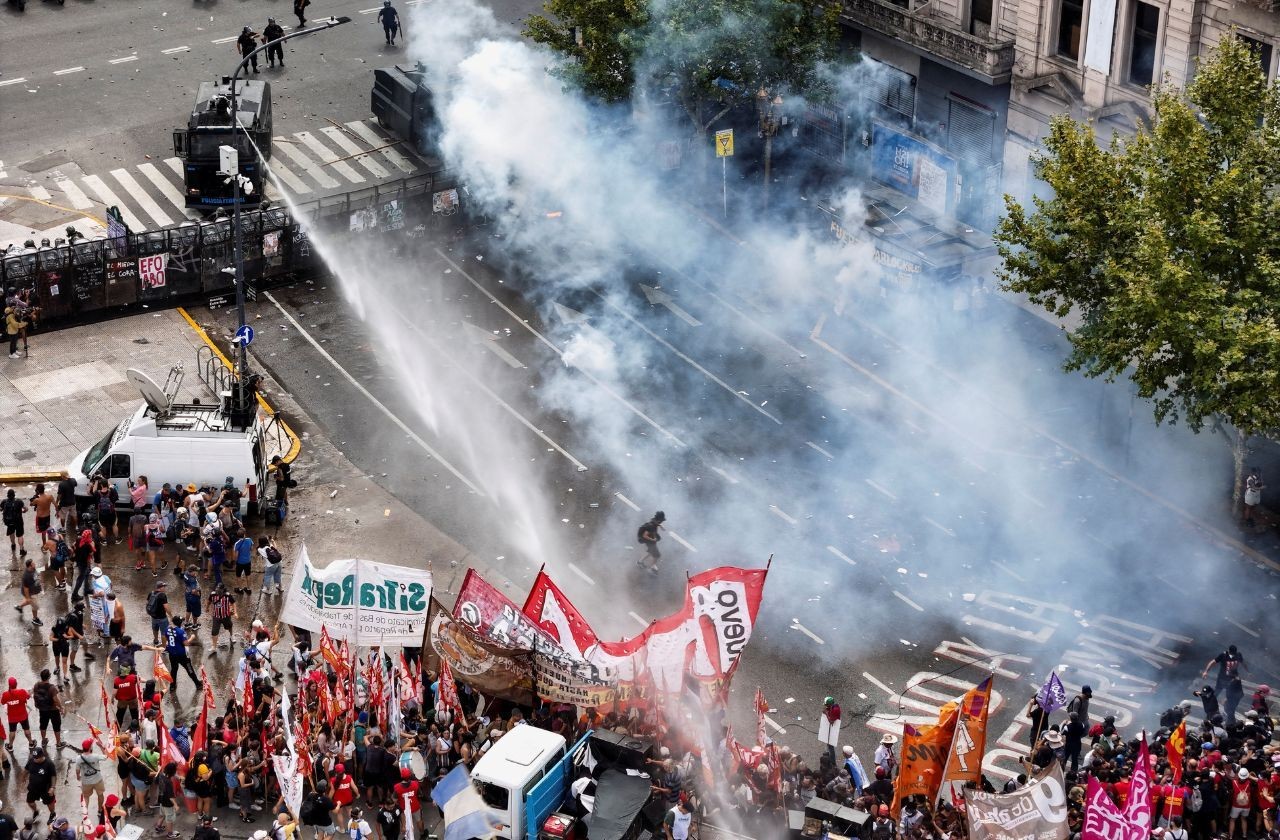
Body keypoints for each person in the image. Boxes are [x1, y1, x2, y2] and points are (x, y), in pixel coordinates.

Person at [164, 617, 202, 691]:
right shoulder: (181, 631)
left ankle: (172, 686)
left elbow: (166, 639)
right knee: (189, 669)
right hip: (181, 655)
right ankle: (198, 684)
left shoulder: (167, 629)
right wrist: (192, 637)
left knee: (174, 670)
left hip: (172, 654)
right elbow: (186, 643)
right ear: (180, 623)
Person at [31, 671, 64, 749]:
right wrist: (61, 707)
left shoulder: (36, 685)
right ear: (49, 677)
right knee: (56, 726)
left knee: (43, 725)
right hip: (53, 710)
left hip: (42, 709)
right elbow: (55, 699)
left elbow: (34, 695)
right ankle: (58, 743)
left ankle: (43, 740)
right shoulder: (52, 688)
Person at [75, 739, 107, 816]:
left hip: (86, 781)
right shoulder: (95, 756)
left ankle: (85, 812)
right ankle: (100, 810)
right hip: (97, 780)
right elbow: (106, 757)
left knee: (86, 797)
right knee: (100, 794)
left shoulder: (79, 758)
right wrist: (101, 746)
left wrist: (78, 776)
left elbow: (77, 769)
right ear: (90, 748)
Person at [1, 678, 32, 752]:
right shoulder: (22, 692)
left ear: (9, 685)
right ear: (16, 684)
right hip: (23, 715)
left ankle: (10, 746)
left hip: (12, 717)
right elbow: (28, 696)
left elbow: (2, 702)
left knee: (12, 731)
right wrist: (30, 692)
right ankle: (31, 743)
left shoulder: (5, 694)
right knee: (26, 729)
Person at [23, 747, 55, 819]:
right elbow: (26, 769)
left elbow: (53, 776)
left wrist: (52, 787)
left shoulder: (49, 764)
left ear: (42, 756)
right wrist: (23, 777)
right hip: (33, 787)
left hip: (45, 788)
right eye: (34, 757)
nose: (35, 759)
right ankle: (36, 811)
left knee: (49, 803)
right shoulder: (31, 760)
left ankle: (53, 814)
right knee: (30, 802)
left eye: (37, 758)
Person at [207, 583, 237, 653]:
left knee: (229, 626)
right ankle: (214, 647)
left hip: (226, 615)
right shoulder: (212, 594)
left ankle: (231, 635)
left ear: (223, 589)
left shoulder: (227, 595)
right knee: (214, 631)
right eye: (217, 589)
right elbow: (209, 601)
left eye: (219, 590)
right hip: (216, 616)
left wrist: (235, 612)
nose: (218, 591)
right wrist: (207, 608)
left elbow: (233, 603)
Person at [15, 559, 41, 627]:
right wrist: (28, 597)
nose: (35, 564)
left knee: (29, 602)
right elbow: (25, 588)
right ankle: (35, 619)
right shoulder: (26, 576)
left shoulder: (33, 569)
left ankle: (19, 607)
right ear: (30, 566)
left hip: (34, 591)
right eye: (33, 564)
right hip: (31, 593)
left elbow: (36, 576)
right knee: (35, 606)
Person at [1, 490, 27, 558]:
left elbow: (0, 509)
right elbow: (25, 509)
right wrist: (24, 511)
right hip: (18, 521)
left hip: (9, 522)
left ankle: (13, 545)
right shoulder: (19, 501)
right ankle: (21, 549)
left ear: (7, 495)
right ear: (14, 495)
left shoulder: (4, 501)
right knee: (20, 535)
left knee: (11, 533)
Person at [146, 580, 171, 645]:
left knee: (155, 629)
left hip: (153, 616)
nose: (165, 588)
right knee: (164, 632)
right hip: (162, 618)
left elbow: (147, 603)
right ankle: (164, 646)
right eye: (164, 587)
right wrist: (171, 616)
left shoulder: (151, 593)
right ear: (160, 587)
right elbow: (166, 607)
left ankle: (156, 641)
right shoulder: (162, 595)